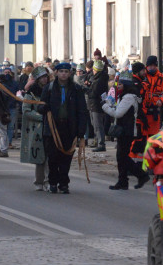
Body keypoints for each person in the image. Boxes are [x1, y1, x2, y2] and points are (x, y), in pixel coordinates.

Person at [39, 62, 88, 194]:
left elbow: (82, 111)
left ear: (70, 73)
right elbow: (40, 106)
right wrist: (44, 108)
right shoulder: (49, 88)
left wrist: (81, 131)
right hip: (52, 128)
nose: (64, 74)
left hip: (69, 127)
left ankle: (64, 183)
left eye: (66, 72)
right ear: (56, 73)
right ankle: (53, 182)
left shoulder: (76, 89)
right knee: (53, 157)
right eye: (61, 71)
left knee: (66, 157)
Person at [103, 70, 150, 190]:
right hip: (124, 129)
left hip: (127, 130)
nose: (118, 86)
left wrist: (105, 106)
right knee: (121, 156)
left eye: (120, 85)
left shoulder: (129, 97)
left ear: (126, 85)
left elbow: (118, 113)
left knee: (122, 156)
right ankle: (123, 181)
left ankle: (141, 175)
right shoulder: (125, 95)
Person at [19, 67, 51, 190]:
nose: (45, 79)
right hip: (37, 127)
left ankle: (49, 180)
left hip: (50, 126)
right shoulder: (30, 93)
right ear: (37, 79)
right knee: (40, 157)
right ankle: (39, 181)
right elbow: (26, 110)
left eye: (46, 76)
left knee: (49, 155)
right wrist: (41, 117)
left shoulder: (50, 90)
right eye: (42, 77)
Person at [140, 55, 163, 137]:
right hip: (144, 109)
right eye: (150, 66)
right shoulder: (143, 76)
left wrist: (161, 100)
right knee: (143, 134)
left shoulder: (160, 77)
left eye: (154, 66)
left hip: (155, 109)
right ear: (147, 66)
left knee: (154, 134)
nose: (152, 67)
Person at [0, 64, 19, 156]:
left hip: (5, 109)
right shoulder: (2, 86)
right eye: (5, 73)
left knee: (4, 129)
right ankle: (4, 147)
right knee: (4, 129)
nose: (7, 74)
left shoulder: (3, 86)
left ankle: (4, 148)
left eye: (8, 72)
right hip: (5, 109)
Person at [87, 58, 110, 152]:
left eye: (94, 69)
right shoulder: (98, 78)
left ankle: (101, 144)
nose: (93, 71)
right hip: (94, 105)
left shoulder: (99, 80)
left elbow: (94, 93)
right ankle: (98, 142)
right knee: (95, 124)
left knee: (98, 125)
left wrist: (86, 90)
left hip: (96, 105)